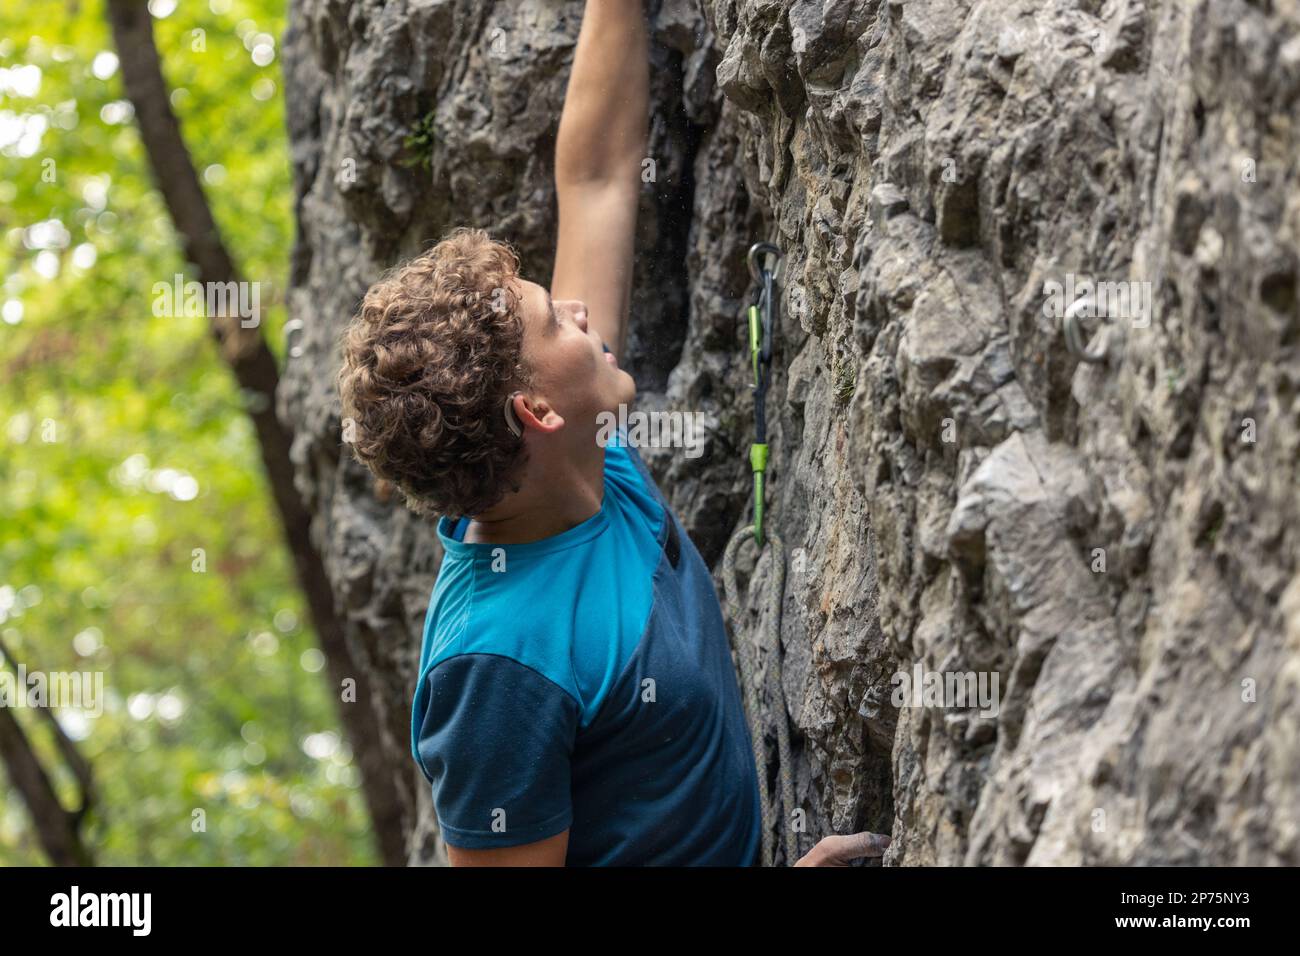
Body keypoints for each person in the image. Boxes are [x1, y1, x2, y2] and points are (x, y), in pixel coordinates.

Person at [336, 0, 888, 867]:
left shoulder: (585, 463)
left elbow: (595, 178)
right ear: (536, 412)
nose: (579, 309)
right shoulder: (499, 666)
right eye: (555, 320)